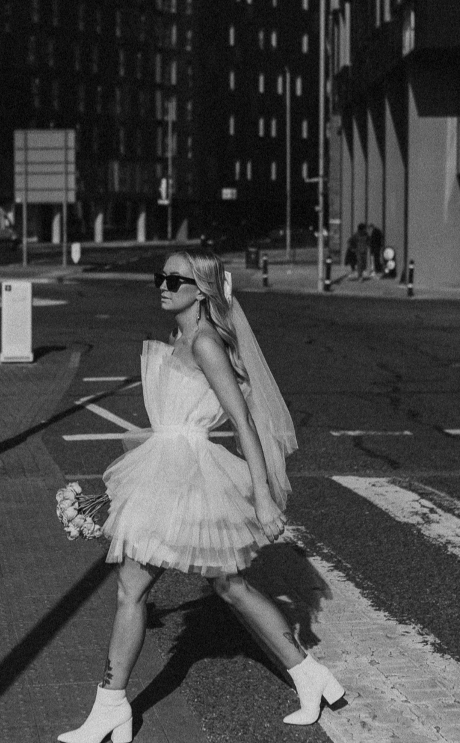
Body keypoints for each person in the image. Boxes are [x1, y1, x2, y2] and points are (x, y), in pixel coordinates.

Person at [59, 251, 344, 743]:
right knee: (220, 586)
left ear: (203, 289)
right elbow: (172, 422)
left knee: (156, 588)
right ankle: (309, 675)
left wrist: (262, 497)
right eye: (160, 277)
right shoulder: (181, 337)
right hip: (167, 472)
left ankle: (111, 708)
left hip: (189, 479)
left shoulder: (207, 342)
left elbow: (243, 423)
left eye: (175, 279)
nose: (164, 286)